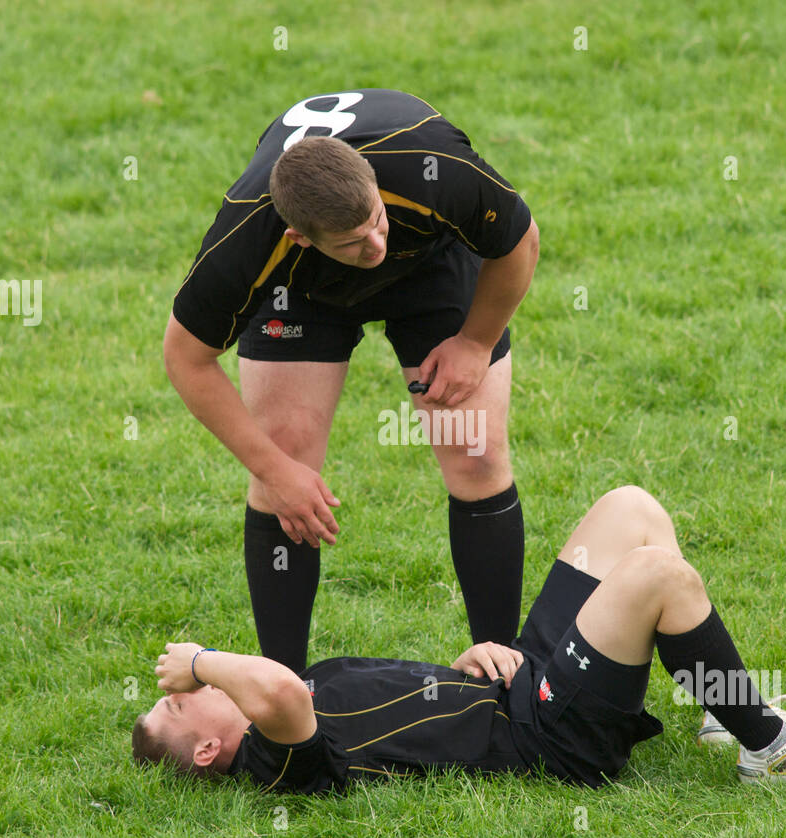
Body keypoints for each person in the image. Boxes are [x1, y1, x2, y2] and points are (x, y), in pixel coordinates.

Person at [132, 486, 786, 791]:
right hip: (548, 735)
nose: (184, 690)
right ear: (206, 748)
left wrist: (465, 665)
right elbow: (280, 688)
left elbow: (407, 700)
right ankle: (771, 749)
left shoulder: (287, 714)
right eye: (175, 707)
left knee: (629, 510)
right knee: (660, 575)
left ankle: (722, 715)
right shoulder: (275, 760)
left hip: (516, 681)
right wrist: (197, 658)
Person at [164, 89, 540, 672]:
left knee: (476, 452)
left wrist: (476, 341)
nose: (376, 246)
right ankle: (285, 699)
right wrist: (274, 470)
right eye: (355, 243)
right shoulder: (251, 237)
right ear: (301, 237)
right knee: (284, 458)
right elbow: (186, 358)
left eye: (376, 223)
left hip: (431, 260)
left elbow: (519, 239)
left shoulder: (430, 166)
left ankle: (500, 678)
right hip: (302, 292)